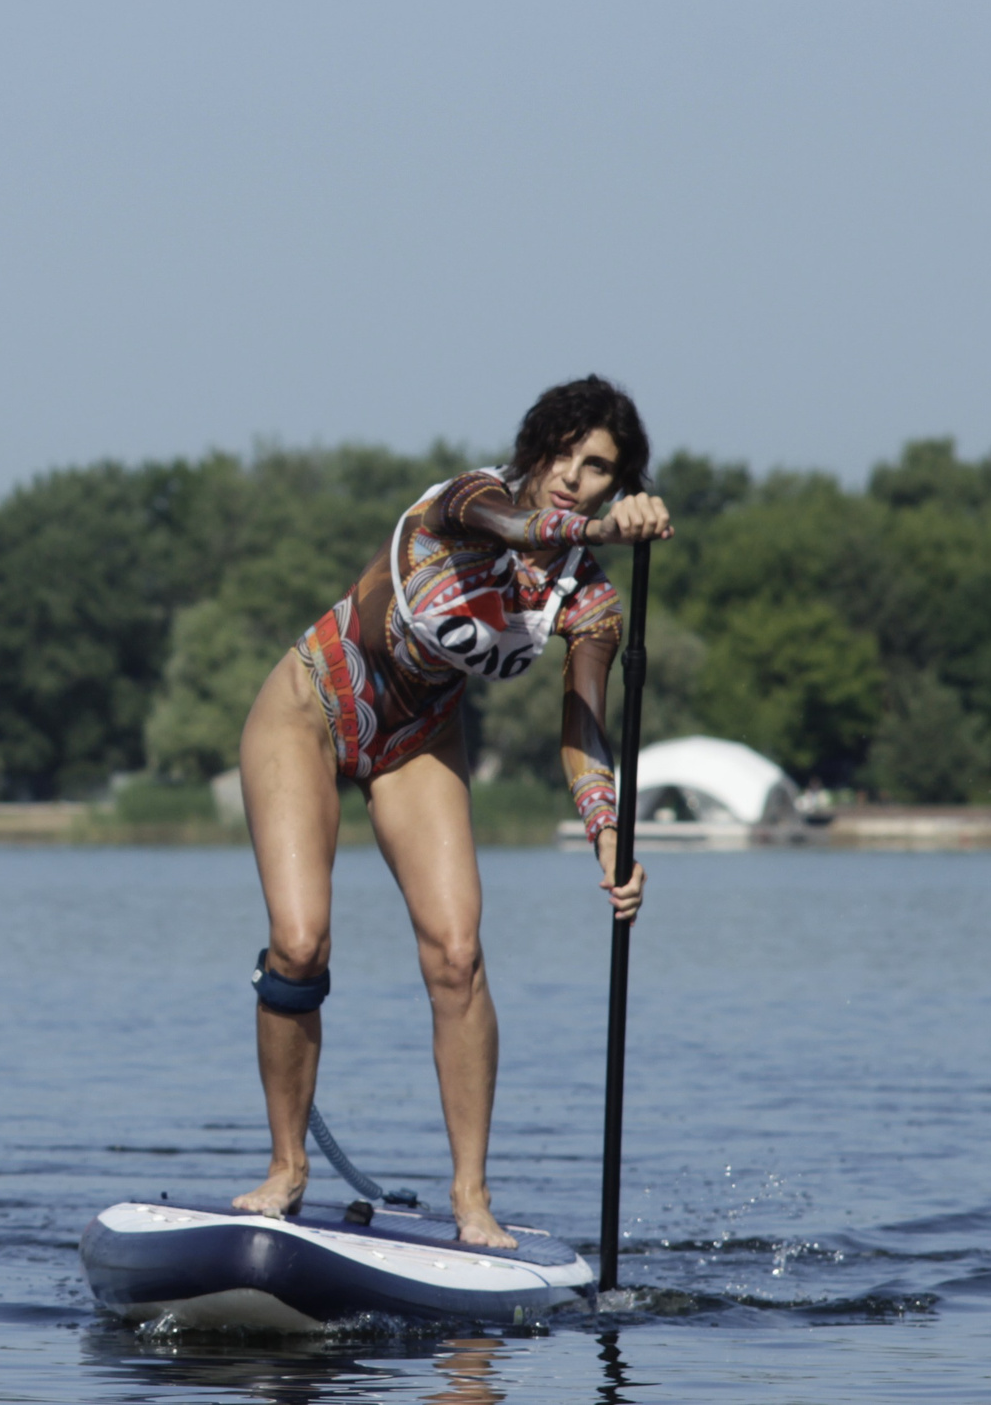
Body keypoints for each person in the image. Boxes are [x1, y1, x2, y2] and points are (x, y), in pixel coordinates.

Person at [230, 375, 671, 1247]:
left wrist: (609, 841)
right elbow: (521, 529)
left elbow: (582, 725)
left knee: (458, 953)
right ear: (537, 444)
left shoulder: (589, 602)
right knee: (300, 941)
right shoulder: (467, 501)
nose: (575, 478)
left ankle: (472, 1199)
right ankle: (286, 1169)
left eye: (600, 471)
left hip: (418, 740)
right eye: (566, 454)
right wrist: (599, 527)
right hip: (311, 710)